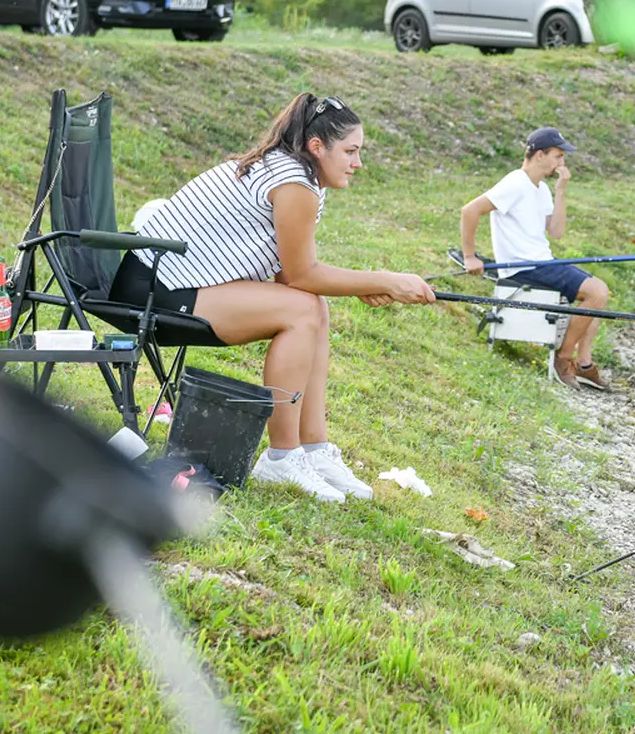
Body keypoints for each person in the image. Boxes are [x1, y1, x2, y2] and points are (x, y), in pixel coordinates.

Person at [111, 93, 437, 504]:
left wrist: (369, 285)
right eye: (350, 151)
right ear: (317, 147)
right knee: (303, 310)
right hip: (152, 290)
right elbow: (301, 275)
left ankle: (314, 450)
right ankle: (281, 458)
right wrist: (386, 279)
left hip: (174, 281)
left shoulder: (299, 175)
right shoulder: (294, 182)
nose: (358, 163)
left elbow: (291, 276)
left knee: (314, 306)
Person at [460, 127, 611, 391]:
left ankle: (584, 364)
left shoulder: (539, 188)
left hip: (543, 261)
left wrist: (561, 191)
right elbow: (470, 210)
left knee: (596, 297)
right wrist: (470, 256)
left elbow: (557, 232)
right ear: (540, 155)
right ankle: (563, 359)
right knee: (597, 292)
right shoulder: (515, 182)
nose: (561, 163)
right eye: (558, 156)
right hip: (523, 267)